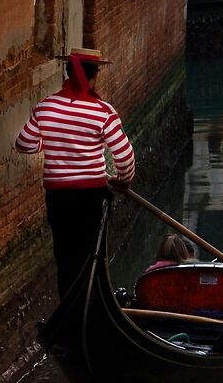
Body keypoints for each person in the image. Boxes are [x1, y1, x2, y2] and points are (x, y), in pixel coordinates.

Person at [16, 49, 136, 300]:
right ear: (93, 77)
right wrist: (124, 181)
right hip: (91, 197)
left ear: (69, 72)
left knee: (65, 255)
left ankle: (69, 309)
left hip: (58, 197)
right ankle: (90, 307)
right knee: (92, 254)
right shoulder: (103, 112)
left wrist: (52, 142)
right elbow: (124, 155)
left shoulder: (46, 106)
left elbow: (24, 143)